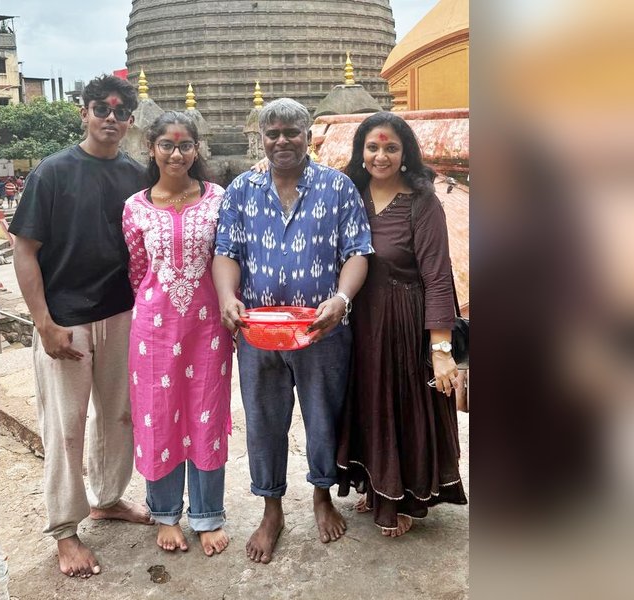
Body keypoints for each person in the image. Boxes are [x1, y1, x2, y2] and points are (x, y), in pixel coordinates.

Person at [213, 98, 373, 564]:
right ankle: (272, 509)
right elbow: (227, 251)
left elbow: (358, 251)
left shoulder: (337, 186)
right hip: (258, 330)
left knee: (323, 415)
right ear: (261, 138)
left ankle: (322, 498)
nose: (282, 141)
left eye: (292, 132)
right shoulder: (242, 189)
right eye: (273, 133)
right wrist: (227, 297)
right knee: (263, 421)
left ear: (308, 136)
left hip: (320, 330)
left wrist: (341, 300)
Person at [8, 75, 152, 579]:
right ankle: (65, 530)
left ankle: (109, 498)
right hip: (66, 320)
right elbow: (25, 251)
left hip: (121, 313)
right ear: (83, 113)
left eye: (119, 111)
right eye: (100, 109)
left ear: (130, 120)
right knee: (66, 427)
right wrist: (42, 323)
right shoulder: (52, 173)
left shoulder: (137, 177)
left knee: (119, 414)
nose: (110, 118)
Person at [335, 112, 468, 537]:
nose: (380, 155)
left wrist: (441, 349)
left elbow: (437, 276)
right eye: (372, 147)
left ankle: (406, 497)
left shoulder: (421, 202)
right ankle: (378, 486)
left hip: (406, 325)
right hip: (360, 325)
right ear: (360, 152)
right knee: (370, 405)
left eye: (391, 147)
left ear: (405, 153)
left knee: (402, 407)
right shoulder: (349, 195)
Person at [122, 111, 233, 556]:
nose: (176, 153)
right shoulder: (135, 206)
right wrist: (159, 304)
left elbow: (227, 257)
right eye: (166, 144)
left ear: (196, 149)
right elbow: (136, 268)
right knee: (157, 413)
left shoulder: (218, 199)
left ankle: (207, 515)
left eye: (185, 145)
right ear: (151, 148)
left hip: (208, 325)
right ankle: (165, 514)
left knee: (206, 413)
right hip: (153, 327)